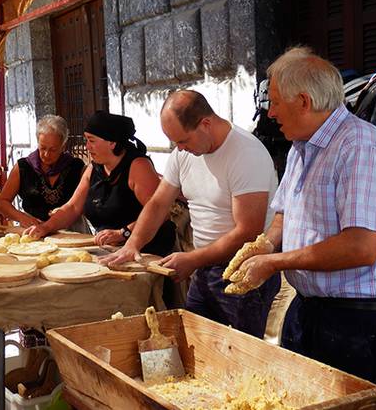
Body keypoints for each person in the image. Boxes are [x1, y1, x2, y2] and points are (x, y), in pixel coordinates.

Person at [225, 47, 376, 390]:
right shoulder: (300, 147)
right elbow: (284, 213)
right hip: (310, 309)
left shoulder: (361, 146)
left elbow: (360, 247)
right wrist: (265, 243)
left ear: (304, 101)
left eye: (276, 101)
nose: (271, 111)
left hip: (357, 321)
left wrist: (274, 262)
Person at [102, 91, 280, 338]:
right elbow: (158, 203)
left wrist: (193, 259)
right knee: (193, 344)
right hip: (204, 268)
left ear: (206, 124)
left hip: (244, 271)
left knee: (239, 357)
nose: (180, 149)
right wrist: (133, 244)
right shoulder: (183, 153)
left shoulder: (246, 153)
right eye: (175, 143)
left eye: (183, 141)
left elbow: (247, 232)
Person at [25, 110, 176, 257]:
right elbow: (73, 207)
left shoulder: (138, 166)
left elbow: (161, 214)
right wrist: (45, 227)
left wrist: (123, 233)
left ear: (111, 142)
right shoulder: (93, 168)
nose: (87, 147)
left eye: (91, 141)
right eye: (86, 141)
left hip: (147, 251)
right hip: (110, 250)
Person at [0, 114, 85, 228]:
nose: (46, 154)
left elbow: (87, 203)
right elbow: (2, 203)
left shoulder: (76, 167)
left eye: (53, 150)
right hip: (33, 228)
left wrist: (66, 212)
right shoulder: (23, 167)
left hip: (72, 230)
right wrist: (22, 217)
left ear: (63, 146)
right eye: (43, 148)